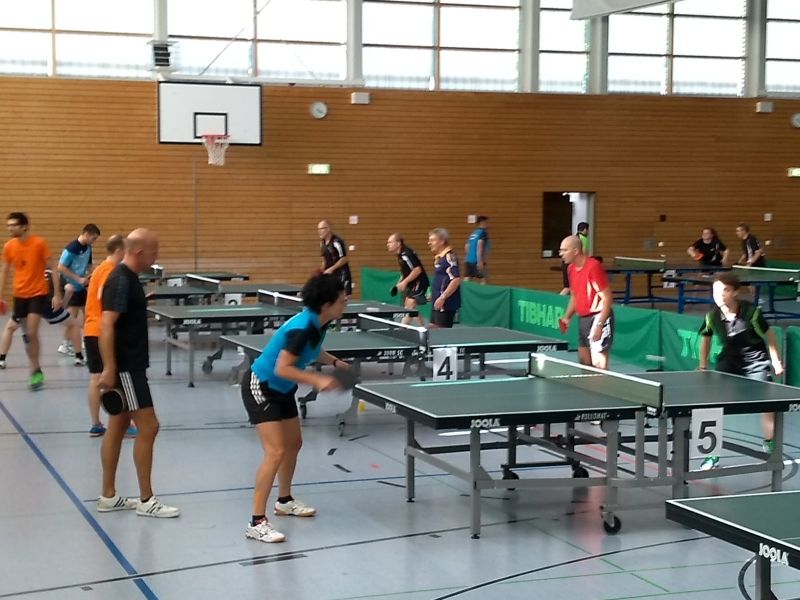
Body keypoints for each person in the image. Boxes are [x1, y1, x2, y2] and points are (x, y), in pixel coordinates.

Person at [243, 273, 349, 543]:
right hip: (261, 385)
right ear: (326, 304)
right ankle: (256, 522)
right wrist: (317, 380)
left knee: (294, 444)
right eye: (342, 300)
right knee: (275, 452)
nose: (346, 303)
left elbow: (313, 350)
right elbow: (283, 367)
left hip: (282, 389)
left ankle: (284, 501)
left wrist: (334, 362)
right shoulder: (302, 328)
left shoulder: (320, 323)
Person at [96, 229, 179, 518]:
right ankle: (146, 500)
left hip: (129, 366)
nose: (157, 257)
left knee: (118, 426)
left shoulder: (129, 279)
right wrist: (110, 368)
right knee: (149, 427)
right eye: (154, 252)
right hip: (127, 367)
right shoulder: (121, 280)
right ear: (140, 252)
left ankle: (108, 496)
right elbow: (106, 324)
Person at [697, 271, 783, 471]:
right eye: (716, 291)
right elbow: (705, 339)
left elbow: (770, 336)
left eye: (725, 290)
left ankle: (770, 442)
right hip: (729, 361)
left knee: (767, 405)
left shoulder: (752, 313)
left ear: (735, 292)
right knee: (711, 404)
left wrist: (776, 361)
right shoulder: (712, 316)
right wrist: (703, 365)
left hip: (756, 361)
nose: (719, 295)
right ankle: (711, 453)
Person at [0, 212, 62, 389]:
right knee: (27, 334)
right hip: (20, 295)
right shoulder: (9, 246)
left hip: (37, 293)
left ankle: (35, 370)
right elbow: (4, 271)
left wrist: (57, 294)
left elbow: (53, 268)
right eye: (9, 225)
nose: (10, 229)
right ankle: (36, 368)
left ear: (24, 226)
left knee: (32, 332)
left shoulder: (39, 243)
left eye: (14, 225)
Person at [84, 234, 129, 438]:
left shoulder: (100, 269)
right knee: (116, 376)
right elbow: (107, 299)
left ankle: (96, 424)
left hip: (91, 329)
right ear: (119, 251)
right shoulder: (110, 271)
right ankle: (122, 424)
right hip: (101, 331)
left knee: (96, 377)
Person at [0, 271, 83, 369]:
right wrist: (63, 304)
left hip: (28, 306)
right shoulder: (55, 274)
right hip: (49, 307)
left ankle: (2, 359)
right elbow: (69, 289)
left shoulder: (28, 273)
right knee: (73, 324)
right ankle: (79, 357)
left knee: (10, 328)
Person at [558, 235, 614, 370]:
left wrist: (600, 325)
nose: (561, 254)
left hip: (598, 317)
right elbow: (575, 295)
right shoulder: (571, 269)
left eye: (564, 250)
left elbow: (607, 298)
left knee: (599, 367)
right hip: (583, 319)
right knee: (585, 365)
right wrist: (567, 316)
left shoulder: (593, 267)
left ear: (576, 251)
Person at [57, 223, 101, 356]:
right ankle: (65, 344)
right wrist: (78, 279)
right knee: (72, 316)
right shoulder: (72, 248)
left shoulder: (88, 248)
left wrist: (98, 274)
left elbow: (89, 265)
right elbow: (61, 267)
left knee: (88, 313)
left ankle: (85, 339)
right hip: (70, 285)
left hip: (80, 286)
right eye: (93, 238)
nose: (94, 241)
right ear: (86, 234)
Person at [387, 233, 429, 327]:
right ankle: (419, 328)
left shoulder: (406, 254)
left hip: (419, 282)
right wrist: (399, 283)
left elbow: (417, 270)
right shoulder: (400, 254)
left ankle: (405, 328)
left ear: (398, 243)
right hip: (413, 283)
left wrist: (405, 282)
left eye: (390, 242)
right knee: (409, 308)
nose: (388, 245)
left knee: (410, 306)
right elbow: (405, 272)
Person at [428, 228, 461, 329]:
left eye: (433, 240)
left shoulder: (449, 257)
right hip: (437, 302)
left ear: (442, 241)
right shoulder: (440, 258)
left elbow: (456, 279)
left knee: (440, 333)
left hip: (445, 304)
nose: (429, 243)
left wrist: (443, 297)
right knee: (432, 328)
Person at [318, 220, 352, 296]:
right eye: (318, 229)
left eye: (322, 229)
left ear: (329, 229)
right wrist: (321, 271)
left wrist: (331, 269)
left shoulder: (337, 242)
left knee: (340, 298)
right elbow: (325, 259)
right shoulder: (322, 243)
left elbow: (344, 258)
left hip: (341, 276)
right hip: (330, 277)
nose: (319, 231)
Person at [561, 222, 591, 295]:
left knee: (567, 287)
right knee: (570, 287)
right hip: (573, 264)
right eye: (588, 230)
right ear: (585, 230)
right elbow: (585, 253)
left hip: (565, 263)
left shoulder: (575, 237)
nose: (588, 232)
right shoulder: (584, 239)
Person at [464, 216, 489, 283]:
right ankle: (483, 290)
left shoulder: (473, 233)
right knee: (484, 279)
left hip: (469, 260)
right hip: (477, 260)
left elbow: (467, 246)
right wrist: (480, 261)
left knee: (467, 279)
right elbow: (480, 246)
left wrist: (470, 256)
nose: (488, 224)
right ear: (483, 223)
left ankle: (463, 289)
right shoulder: (483, 233)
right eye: (487, 222)